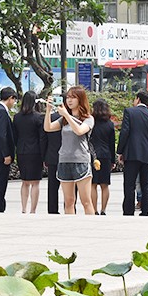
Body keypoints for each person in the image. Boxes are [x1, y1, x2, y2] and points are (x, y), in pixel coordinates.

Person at [44, 85, 96, 215]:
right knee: (68, 201)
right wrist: (48, 110)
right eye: (68, 97)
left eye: (73, 97)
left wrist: (66, 115)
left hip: (81, 161)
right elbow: (48, 128)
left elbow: (79, 131)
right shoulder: (64, 119)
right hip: (64, 160)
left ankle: (91, 227)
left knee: (86, 201)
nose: (69, 100)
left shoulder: (88, 119)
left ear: (80, 99)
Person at [117, 90, 148, 216]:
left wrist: (120, 151)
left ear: (137, 99)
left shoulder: (129, 112)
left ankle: (128, 211)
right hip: (147, 156)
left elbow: (124, 132)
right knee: (146, 184)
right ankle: (145, 211)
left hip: (131, 154)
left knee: (129, 184)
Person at [13, 91, 45, 214]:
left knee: (25, 181)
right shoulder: (38, 117)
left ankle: (23, 208)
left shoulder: (17, 117)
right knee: (35, 182)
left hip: (21, 151)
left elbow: (15, 136)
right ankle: (33, 210)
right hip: (35, 152)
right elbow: (42, 137)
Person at [90, 98, 116, 215]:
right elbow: (112, 144)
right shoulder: (110, 124)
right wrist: (113, 160)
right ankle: (103, 210)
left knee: (93, 184)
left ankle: (94, 210)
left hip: (92, 155)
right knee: (105, 185)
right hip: (106, 156)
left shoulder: (91, 122)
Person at [41, 110, 63, 214]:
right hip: (67, 156)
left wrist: (44, 157)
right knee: (71, 186)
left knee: (52, 186)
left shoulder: (50, 117)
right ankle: (71, 208)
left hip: (52, 155)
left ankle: (52, 209)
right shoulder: (71, 118)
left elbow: (44, 138)